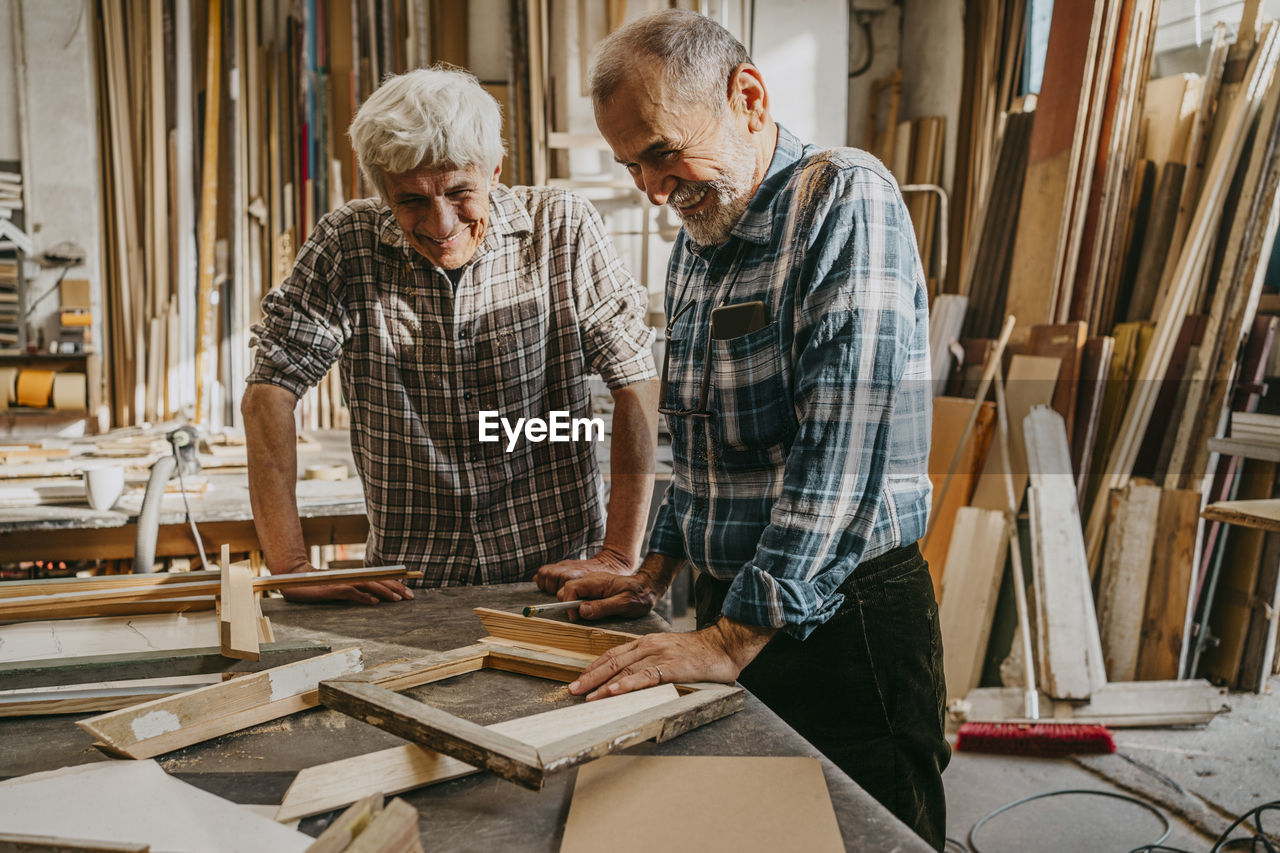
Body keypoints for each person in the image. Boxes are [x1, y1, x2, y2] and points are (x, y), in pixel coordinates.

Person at [533, 11, 948, 849]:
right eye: (629, 164)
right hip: (737, 605)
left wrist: (730, 637)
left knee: (871, 834)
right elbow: (697, 440)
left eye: (660, 153)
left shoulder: (842, 196)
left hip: (844, 617)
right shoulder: (698, 241)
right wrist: (654, 568)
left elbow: (839, 448)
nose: (652, 188)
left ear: (749, 97)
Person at [243, 67, 659, 605]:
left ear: (494, 171)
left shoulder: (564, 228)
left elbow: (636, 379)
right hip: (408, 587)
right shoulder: (347, 244)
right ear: (381, 192)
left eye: (461, 192)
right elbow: (269, 392)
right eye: (411, 200)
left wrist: (618, 556)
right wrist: (292, 567)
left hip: (556, 575)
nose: (441, 225)